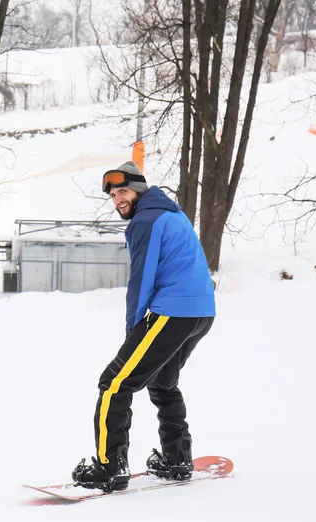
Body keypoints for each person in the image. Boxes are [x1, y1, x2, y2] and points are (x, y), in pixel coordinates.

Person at [71, 161, 216, 492]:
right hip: (201, 311)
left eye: (123, 191)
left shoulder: (146, 220)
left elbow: (142, 278)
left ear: (139, 189)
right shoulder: (171, 212)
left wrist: (132, 329)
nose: (118, 199)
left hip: (173, 312)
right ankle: (177, 459)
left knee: (114, 383)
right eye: (113, 194)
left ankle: (109, 467)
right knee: (163, 381)